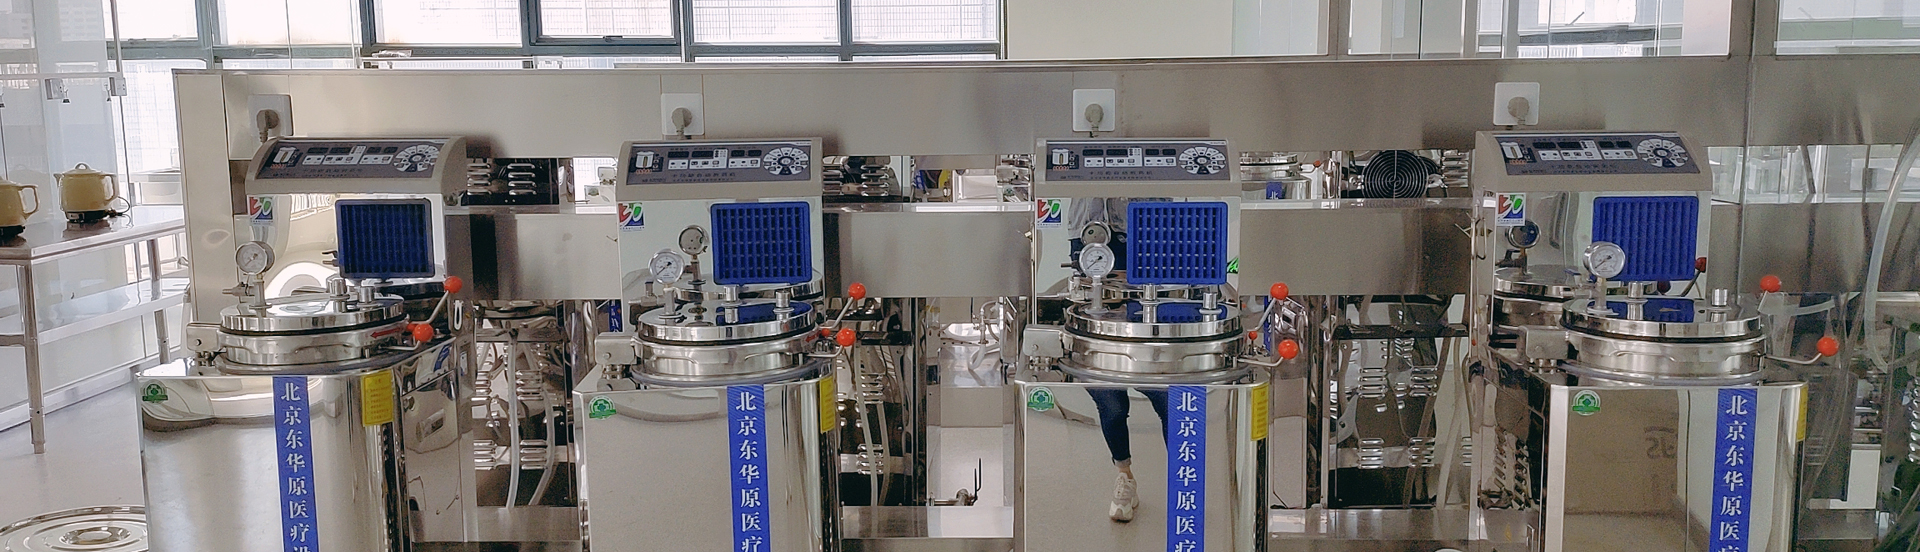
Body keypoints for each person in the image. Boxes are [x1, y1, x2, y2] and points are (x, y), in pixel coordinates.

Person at [1087, 387, 1168, 522]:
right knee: (1113, 409)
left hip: (1155, 372)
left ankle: (1183, 481)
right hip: (1109, 373)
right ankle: (1125, 477)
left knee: (1173, 405)